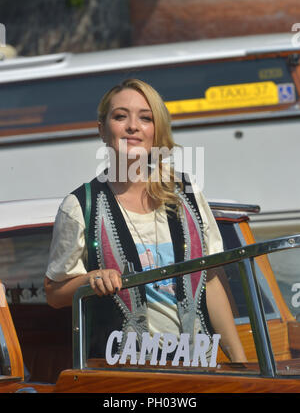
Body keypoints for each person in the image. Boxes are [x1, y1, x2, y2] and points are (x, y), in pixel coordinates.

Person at [44, 78, 246, 363]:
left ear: (156, 130)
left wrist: (240, 362)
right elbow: (53, 293)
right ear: (102, 130)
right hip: (126, 373)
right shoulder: (80, 205)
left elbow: (210, 281)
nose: (132, 126)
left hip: (198, 364)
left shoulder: (187, 194)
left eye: (145, 118)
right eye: (120, 116)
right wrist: (90, 279)